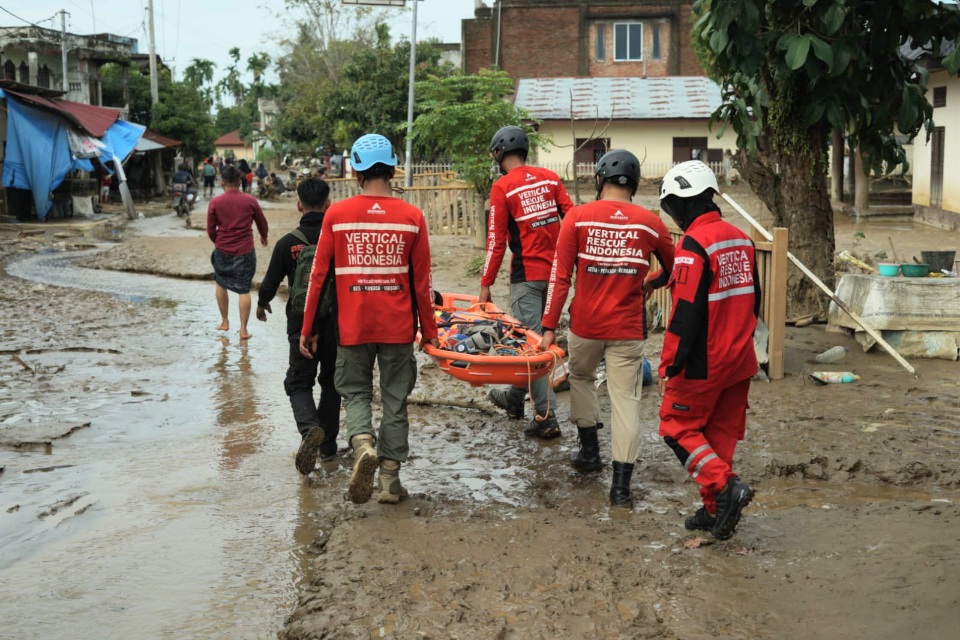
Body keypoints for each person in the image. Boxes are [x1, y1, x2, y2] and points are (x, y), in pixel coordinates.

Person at [299, 133, 438, 505]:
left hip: (354, 326)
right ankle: (389, 482)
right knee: (395, 400)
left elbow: (317, 277)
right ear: (392, 169)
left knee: (356, 393)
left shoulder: (337, 215)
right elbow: (422, 282)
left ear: (356, 173)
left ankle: (362, 444)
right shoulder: (412, 217)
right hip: (398, 328)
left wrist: (307, 327)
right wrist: (430, 332)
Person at [541, 150, 676, 507]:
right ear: (635, 184)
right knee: (626, 402)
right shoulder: (651, 223)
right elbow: (675, 268)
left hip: (585, 326)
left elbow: (560, 278)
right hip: (627, 330)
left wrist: (549, 326)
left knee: (581, 379)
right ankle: (620, 489)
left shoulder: (577, 217)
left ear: (599, 179)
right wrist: (651, 282)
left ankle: (589, 453)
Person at [656, 160, 760, 540]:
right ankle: (716, 509)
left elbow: (684, 315)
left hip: (703, 361)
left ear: (681, 204)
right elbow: (754, 300)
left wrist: (669, 366)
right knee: (719, 436)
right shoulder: (741, 239)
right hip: (740, 358)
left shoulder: (693, 244)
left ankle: (726, 487)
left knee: (675, 426)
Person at [480, 125, 574, 439]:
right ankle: (513, 398)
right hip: (557, 278)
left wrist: (485, 283)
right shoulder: (550, 178)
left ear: (498, 153)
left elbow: (496, 241)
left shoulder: (503, 187)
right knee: (532, 342)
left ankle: (545, 417)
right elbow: (573, 219)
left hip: (527, 279)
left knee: (533, 350)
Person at [257, 178, 341, 475]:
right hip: (336, 324)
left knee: (298, 382)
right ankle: (328, 450)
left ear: (298, 205)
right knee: (331, 382)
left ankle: (309, 429)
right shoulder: (338, 240)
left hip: (300, 325)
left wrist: (262, 304)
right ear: (328, 204)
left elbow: (270, 281)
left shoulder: (288, 243)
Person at [207, 163, 269, 340]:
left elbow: (211, 229)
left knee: (220, 282)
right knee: (244, 289)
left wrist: (219, 242)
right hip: (245, 250)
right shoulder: (250, 201)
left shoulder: (215, 202)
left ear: (222, 182)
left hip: (222, 249)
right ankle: (243, 330)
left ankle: (224, 321)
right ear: (239, 182)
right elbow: (262, 223)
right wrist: (264, 237)